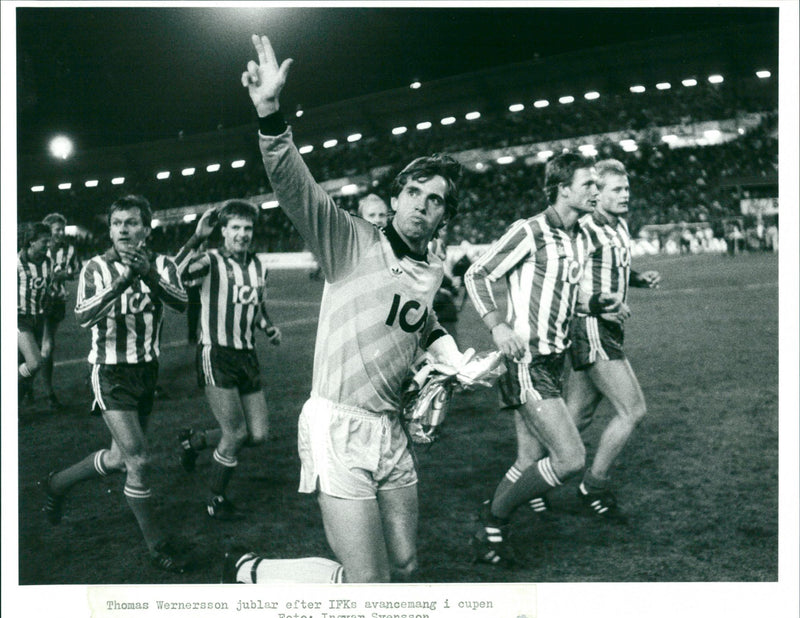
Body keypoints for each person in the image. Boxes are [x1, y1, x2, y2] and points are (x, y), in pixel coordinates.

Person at [221, 34, 467, 584]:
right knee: (369, 584)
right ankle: (256, 574)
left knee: (405, 564)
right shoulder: (351, 240)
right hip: (338, 424)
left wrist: (452, 360)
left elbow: (419, 320)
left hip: (390, 428)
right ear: (397, 196)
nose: (424, 206)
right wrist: (269, 114)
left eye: (437, 201)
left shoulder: (429, 271)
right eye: (417, 193)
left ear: (443, 217)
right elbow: (295, 187)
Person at [464, 152, 627, 566]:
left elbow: (565, 296)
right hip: (527, 362)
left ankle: (492, 527)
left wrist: (596, 302)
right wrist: (498, 326)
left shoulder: (578, 237)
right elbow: (477, 274)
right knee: (571, 459)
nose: (595, 191)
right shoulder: (529, 231)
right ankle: (493, 516)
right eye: (588, 184)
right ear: (563, 188)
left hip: (557, 362)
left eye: (596, 184)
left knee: (527, 459)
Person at [41, 195, 189, 573]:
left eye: (133, 222)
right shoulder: (95, 267)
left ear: (147, 227)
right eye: (117, 223)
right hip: (109, 372)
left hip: (146, 372)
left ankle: (57, 483)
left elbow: (181, 303)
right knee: (139, 458)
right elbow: (84, 316)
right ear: (110, 230)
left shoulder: (163, 263)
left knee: (120, 458)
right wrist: (125, 280)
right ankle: (156, 544)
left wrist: (149, 275)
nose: (124, 229)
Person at [563, 158, 661, 520]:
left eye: (627, 189)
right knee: (633, 410)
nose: (625, 195)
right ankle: (594, 484)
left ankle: (529, 476)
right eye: (617, 189)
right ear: (596, 192)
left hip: (608, 328)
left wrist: (638, 279)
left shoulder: (619, 225)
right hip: (591, 326)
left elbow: (613, 268)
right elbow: (569, 279)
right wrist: (596, 308)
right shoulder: (583, 228)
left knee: (577, 416)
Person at [173, 200, 282, 521]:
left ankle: (194, 442)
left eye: (248, 228)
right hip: (216, 354)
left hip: (247, 356)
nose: (243, 234)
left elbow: (256, 304)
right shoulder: (210, 260)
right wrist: (196, 239)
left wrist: (269, 327)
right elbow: (173, 275)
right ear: (223, 231)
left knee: (257, 434)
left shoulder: (259, 265)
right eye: (236, 228)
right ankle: (215, 498)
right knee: (235, 433)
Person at [39, 213, 81, 409]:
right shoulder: (39, 247)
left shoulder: (69, 249)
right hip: (35, 302)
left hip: (55, 301)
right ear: (49, 231)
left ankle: (42, 390)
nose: (61, 233)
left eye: (62, 230)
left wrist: (65, 274)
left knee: (47, 345)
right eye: (57, 230)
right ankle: (41, 391)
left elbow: (76, 270)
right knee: (41, 346)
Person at [18, 222, 53, 405]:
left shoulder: (48, 262)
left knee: (29, 368)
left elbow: (47, 290)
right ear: (31, 242)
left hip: (38, 319)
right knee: (34, 363)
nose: (48, 245)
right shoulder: (15, 263)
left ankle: (14, 406)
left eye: (49, 241)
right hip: (19, 319)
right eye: (44, 241)